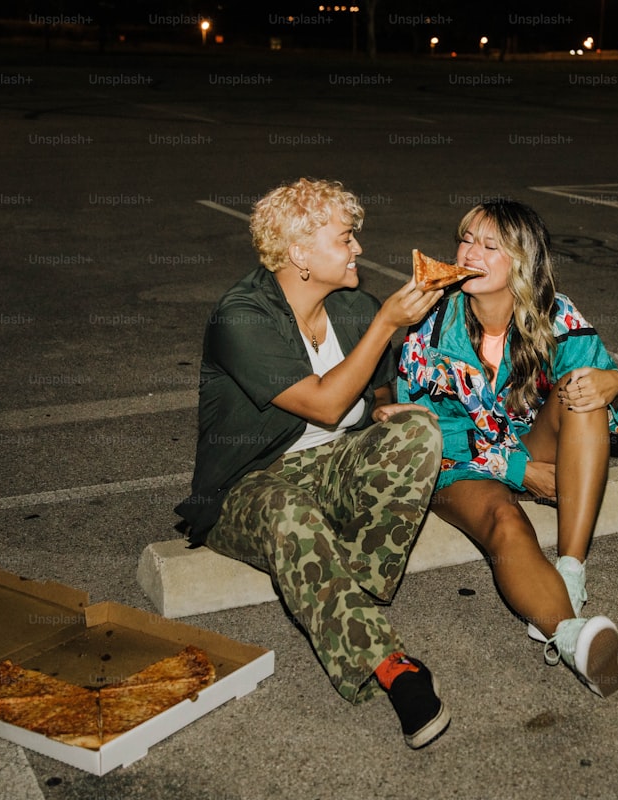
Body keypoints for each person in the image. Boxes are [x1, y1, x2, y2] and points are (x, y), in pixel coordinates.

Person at [175, 178, 450, 748]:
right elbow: (325, 403)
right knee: (289, 514)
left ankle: (350, 596)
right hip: (249, 486)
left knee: (418, 428)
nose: (357, 250)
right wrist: (387, 326)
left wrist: (383, 409)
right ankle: (392, 666)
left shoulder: (352, 305)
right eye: (345, 238)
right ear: (299, 254)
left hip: (330, 465)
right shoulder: (242, 317)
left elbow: (377, 387)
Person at [395, 199, 618, 698]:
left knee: (584, 389)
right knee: (506, 522)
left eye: (491, 246)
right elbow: (426, 436)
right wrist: (520, 470)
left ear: (522, 263)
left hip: (530, 442)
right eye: (466, 239)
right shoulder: (431, 324)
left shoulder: (556, 314)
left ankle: (570, 571)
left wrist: (613, 382)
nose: (471, 252)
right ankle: (572, 639)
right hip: (457, 468)